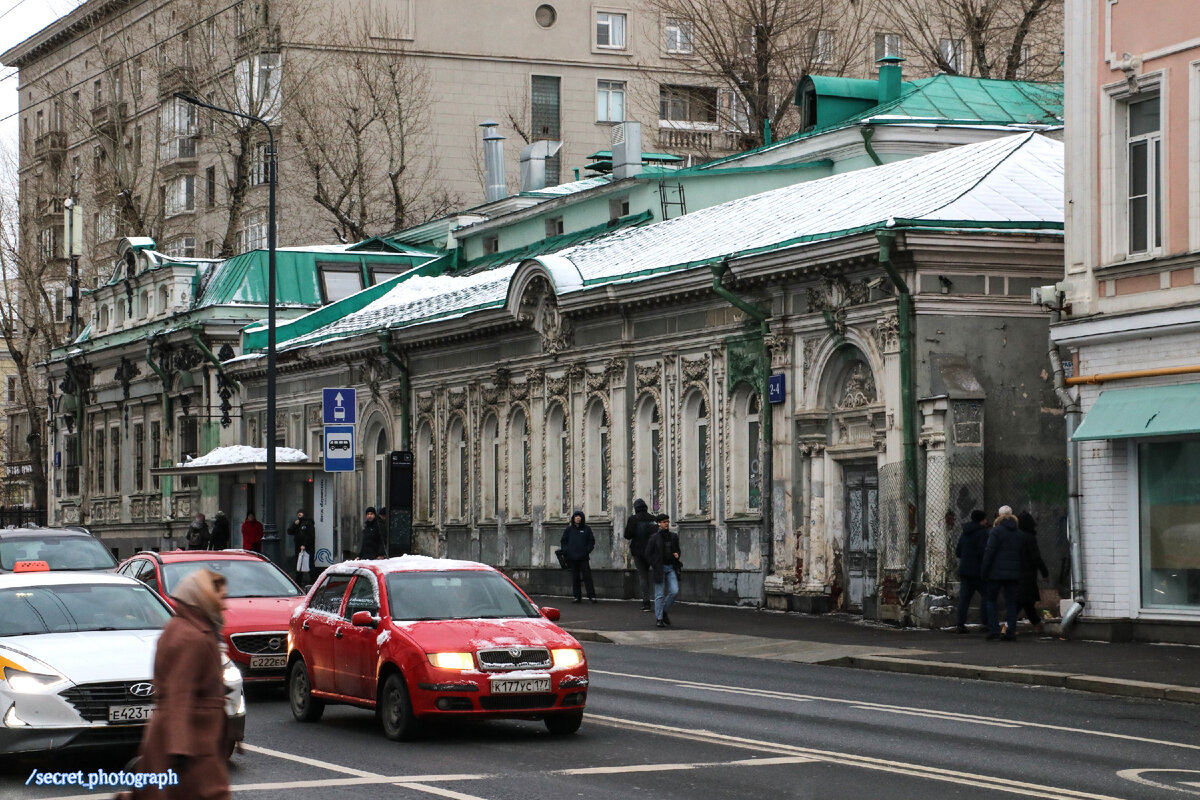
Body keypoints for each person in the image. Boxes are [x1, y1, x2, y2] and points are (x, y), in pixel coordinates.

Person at [124, 569, 231, 800]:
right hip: (194, 740)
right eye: (220, 598)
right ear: (203, 598)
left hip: (190, 736)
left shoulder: (183, 628)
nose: (225, 605)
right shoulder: (192, 637)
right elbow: (178, 693)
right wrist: (179, 747)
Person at [981, 506, 1023, 641]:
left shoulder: (996, 531)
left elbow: (989, 552)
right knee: (1011, 602)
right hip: (1013, 573)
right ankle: (1011, 631)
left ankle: (994, 629)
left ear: (998, 515)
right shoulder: (1018, 533)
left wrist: (984, 570)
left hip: (995, 573)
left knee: (991, 600)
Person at [955, 510, 990, 633]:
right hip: (978, 571)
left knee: (964, 599)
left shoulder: (965, 532)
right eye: (985, 519)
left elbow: (958, 552)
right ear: (982, 520)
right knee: (987, 595)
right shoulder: (983, 533)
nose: (987, 521)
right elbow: (983, 552)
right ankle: (985, 623)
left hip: (965, 570)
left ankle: (960, 624)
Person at [644, 513, 680, 628]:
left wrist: (677, 555)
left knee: (674, 591)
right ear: (659, 523)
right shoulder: (654, 538)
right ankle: (659, 618)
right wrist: (655, 564)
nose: (666, 524)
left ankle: (664, 611)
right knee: (659, 594)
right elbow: (648, 554)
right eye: (664, 522)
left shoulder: (673, 536)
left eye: (668, 522)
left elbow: (677, 550)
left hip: (670, 567)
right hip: (659, 568)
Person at [1017, 511, 1050, 634]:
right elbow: (1036, 557)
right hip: (1028, 573)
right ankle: (1008, 625)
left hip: (1017, 572)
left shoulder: (1016, 536)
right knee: (1024, 600)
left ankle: (1036, 623)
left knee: (1026, 601)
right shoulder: (1029, 538)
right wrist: (1044, 572)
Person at [623, 498, 657, 612]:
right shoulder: (653, 519)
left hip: (638, 552)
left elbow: (627, 535)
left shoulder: (633, 519)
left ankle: (646, 602)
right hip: (652, 552)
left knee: (643, 576)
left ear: (635, 508)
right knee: (656, 575)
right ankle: (658, 599)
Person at [560, 510, 596, 604]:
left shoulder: (587, 529)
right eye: (576, 516)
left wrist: (587, 551)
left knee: (587, 577)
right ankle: (577, 596)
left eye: (579, 516)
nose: (578, 518)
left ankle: (591, 596)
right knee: (575, 578)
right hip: (572, 558)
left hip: (583, 557)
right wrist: (567, 552)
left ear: (582, 518)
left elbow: (591, 541)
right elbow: (563, 541)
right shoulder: (569, 530)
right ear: (573, 518)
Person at [287, 510, 316, 580]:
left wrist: (304, 545)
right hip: (299, 547)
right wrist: (295, 524)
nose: (299, 516)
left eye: (300, 515)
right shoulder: (298, 523)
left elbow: (310, 536)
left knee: (309, 564)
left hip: (307, 547)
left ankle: (313, 580)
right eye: (298, 515)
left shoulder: (308, 523)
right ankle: (299, 581)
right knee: (299, 564)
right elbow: (289, 531)